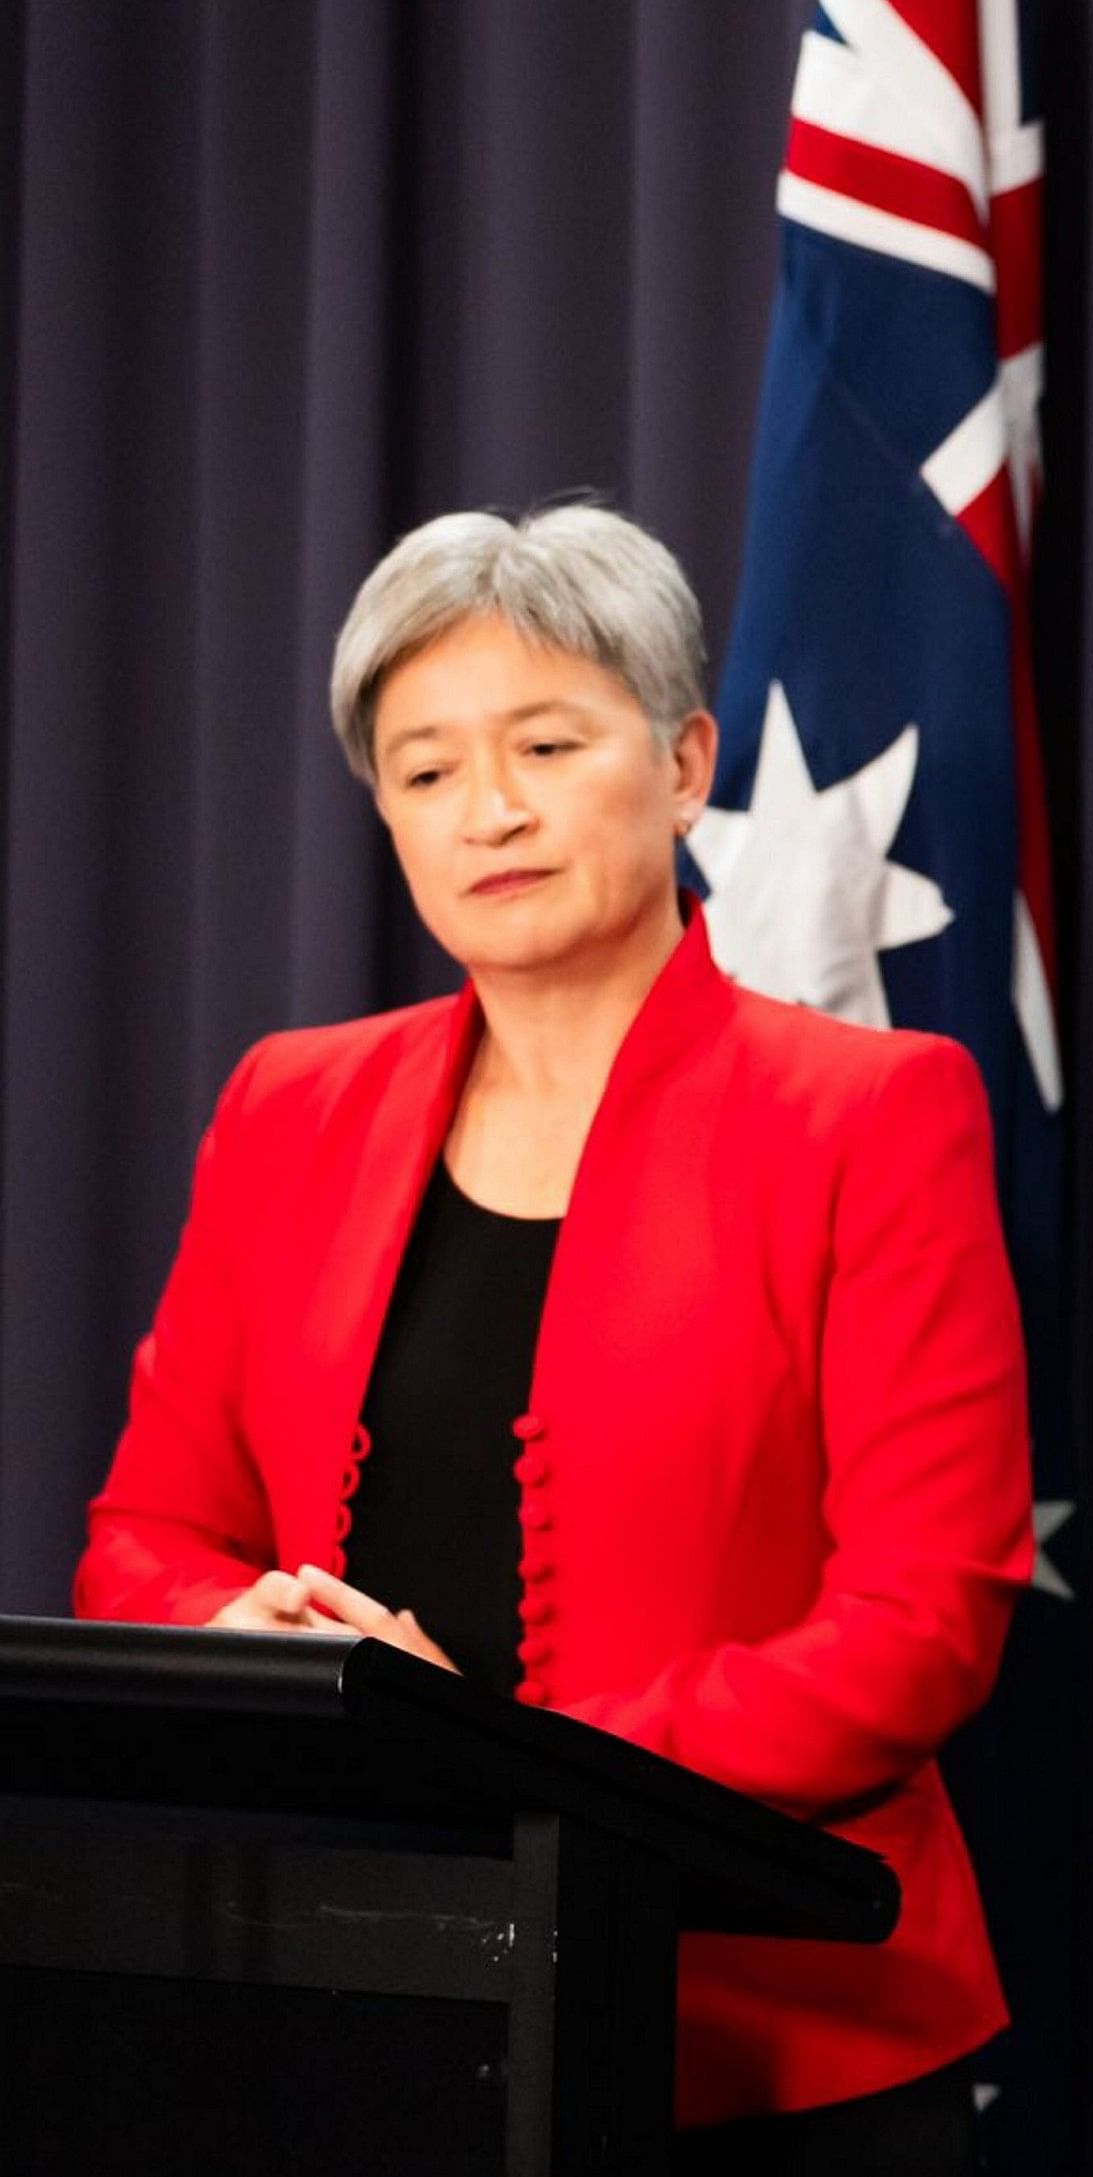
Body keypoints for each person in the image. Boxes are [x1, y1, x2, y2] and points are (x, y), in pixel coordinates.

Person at [74, 504, 1031, 2175]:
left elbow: (923, 1617)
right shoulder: (287, 1103)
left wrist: (499, 1761)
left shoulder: (870, 1115)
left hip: (769, 2033)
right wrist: (241, 1635)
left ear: (680, 766)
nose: (488, 810)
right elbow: (142, 1536)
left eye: (544, 742)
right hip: (352, 1989)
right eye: (424, 769)